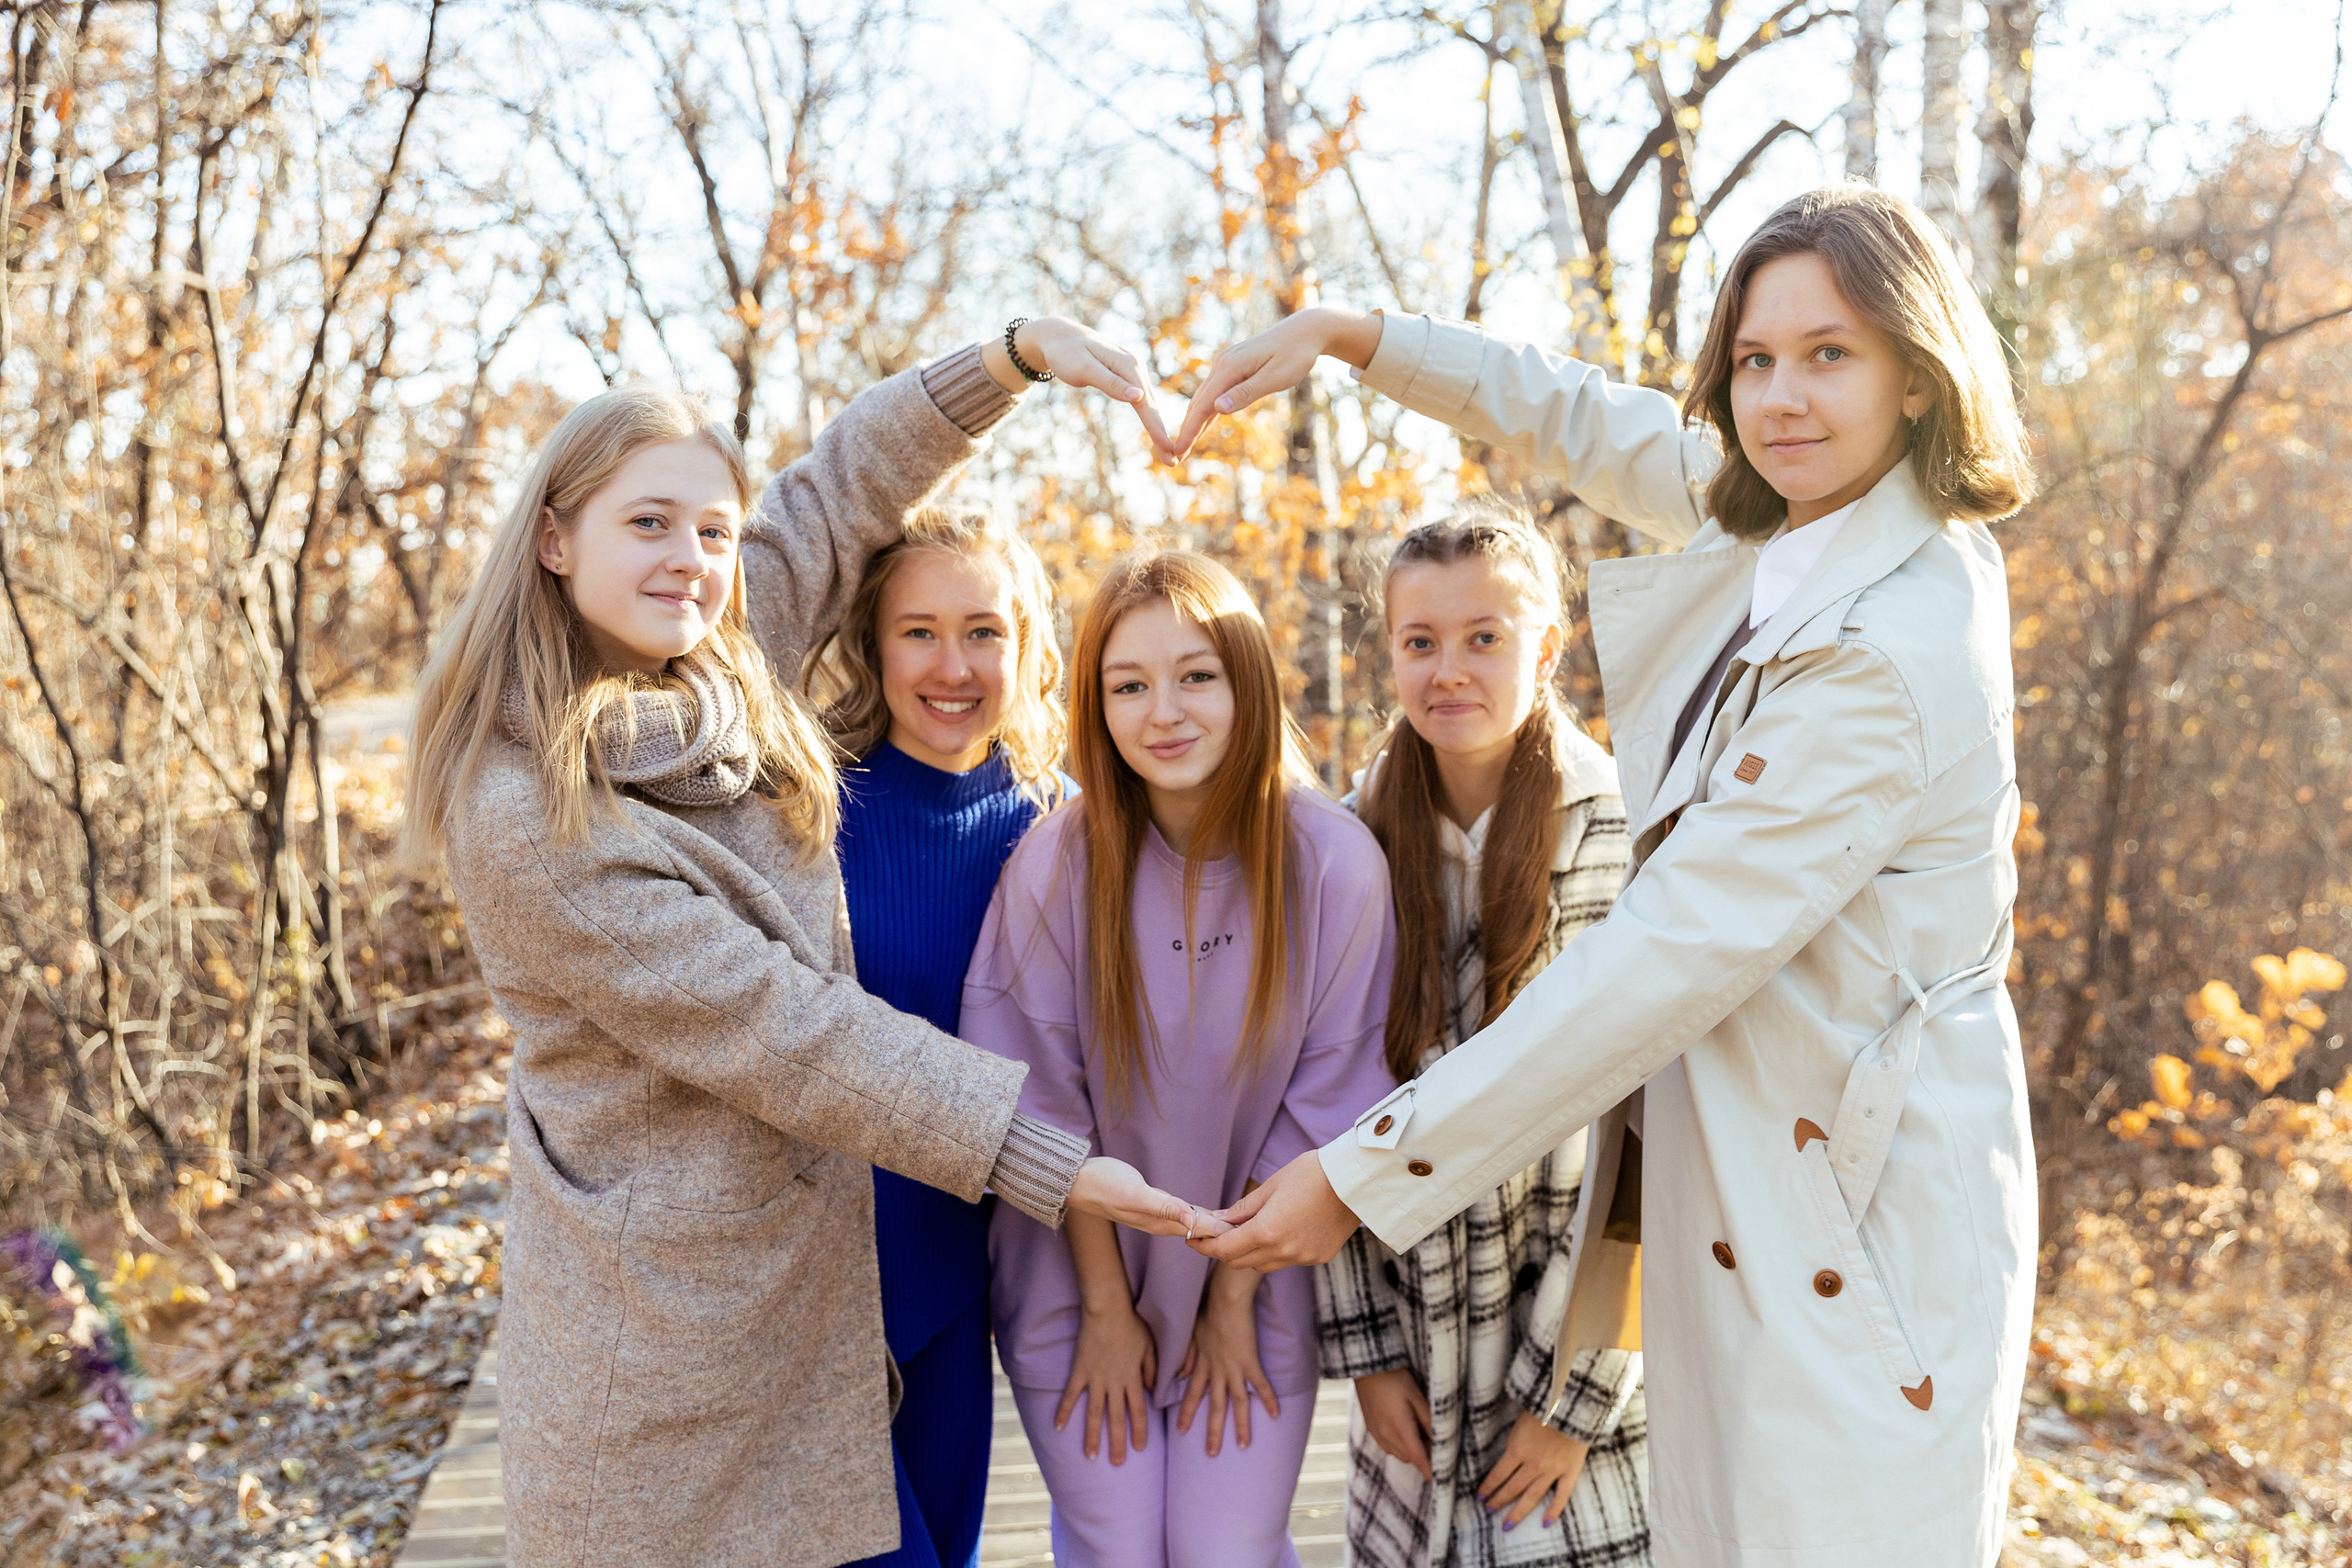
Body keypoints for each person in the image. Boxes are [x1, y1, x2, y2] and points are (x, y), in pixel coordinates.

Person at [1182, 184, 2038, 1568]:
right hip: (1762, 1191)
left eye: (1833, 353)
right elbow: (1574, 414)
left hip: (1852, 1220)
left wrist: (1359, 1173)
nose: (1782, 396)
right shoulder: (1791, 520)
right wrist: (1358, 336)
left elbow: (1660, 958)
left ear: (1921, 370)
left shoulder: (1889, 643)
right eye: (1755, 359)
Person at [400, 318, 1216, 1568]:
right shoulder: (522, 812)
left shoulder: (728, 670)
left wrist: (1010, 358)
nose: (693, 559)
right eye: (649, 522)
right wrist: (1051, 1160)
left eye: (717, 531)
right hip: (678, 1334)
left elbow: (842, 488)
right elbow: (781, 1026)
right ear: (555, 538)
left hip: (852, 1272)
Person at [960, 551, 1398, 1568]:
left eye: (1196, 674)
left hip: (1260, 1269)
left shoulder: (1333, 862)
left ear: (1246, 678)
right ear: (1095, 703)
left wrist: (1233, 1299)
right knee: (1115, 1548)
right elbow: (1035, 1103)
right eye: (1128, 684)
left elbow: (1329, 1094)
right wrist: (1107, 1311)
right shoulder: (1055, 861)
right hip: (1078, 1272)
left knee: (1226, 1549)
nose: (1165, 710)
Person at [1321, 502, 1649, 1568]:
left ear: (1546, 649)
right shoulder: (1350, 841)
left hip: (1572, 1390)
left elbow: (1648, 1140)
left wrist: (1571, 1403)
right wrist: (1367, 1357)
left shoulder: (1620, 834)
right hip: (1412, 1381)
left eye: (1484, 639)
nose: (1447, 670)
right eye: (1420, 643)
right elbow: (1315, 1101)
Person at [805, 504, 1074, 1568]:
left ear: (1026, 643)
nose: (952, 664)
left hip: (966, 1278)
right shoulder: (807, 809)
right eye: (918, 630)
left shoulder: (1065, 822)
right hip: (819, 1285)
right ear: (873, 644)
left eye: (984, 630)